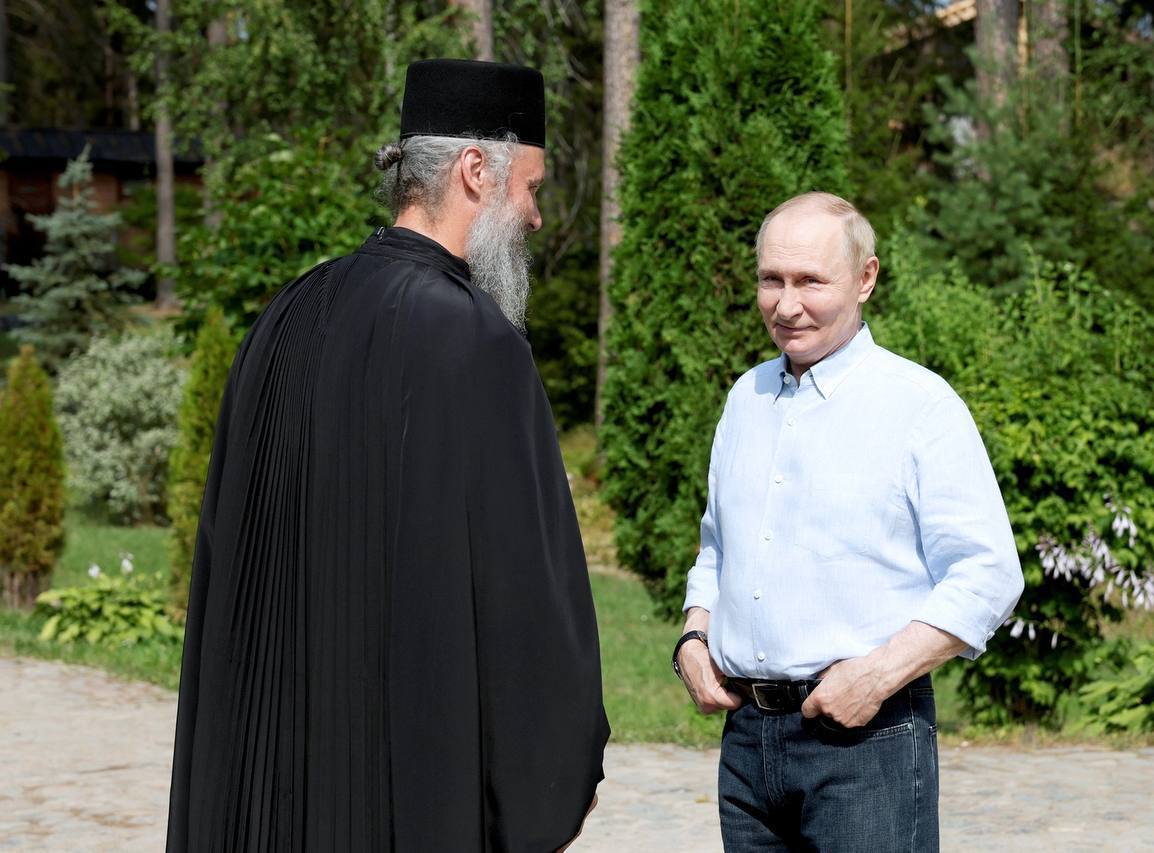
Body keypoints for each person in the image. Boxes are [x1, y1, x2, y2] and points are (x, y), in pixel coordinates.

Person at [167, 59, 609, 852]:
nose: (537, 217)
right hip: (405, 799)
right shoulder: (477, 340)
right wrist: (546, 778)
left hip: (272, 795)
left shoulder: (285, 316)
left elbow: (229, 566)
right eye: (531, 188)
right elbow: (527, 601)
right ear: (475, 170)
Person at [672, 192, 1024, 851]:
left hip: (867, 738)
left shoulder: (919, 405)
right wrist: (693, 637)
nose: (786, 305)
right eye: (771, 280)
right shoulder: (745, 398)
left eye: (811, 281)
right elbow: (718, 548)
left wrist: (877, 676)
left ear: (865, 278)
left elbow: (989, 573)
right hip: (747, 744)